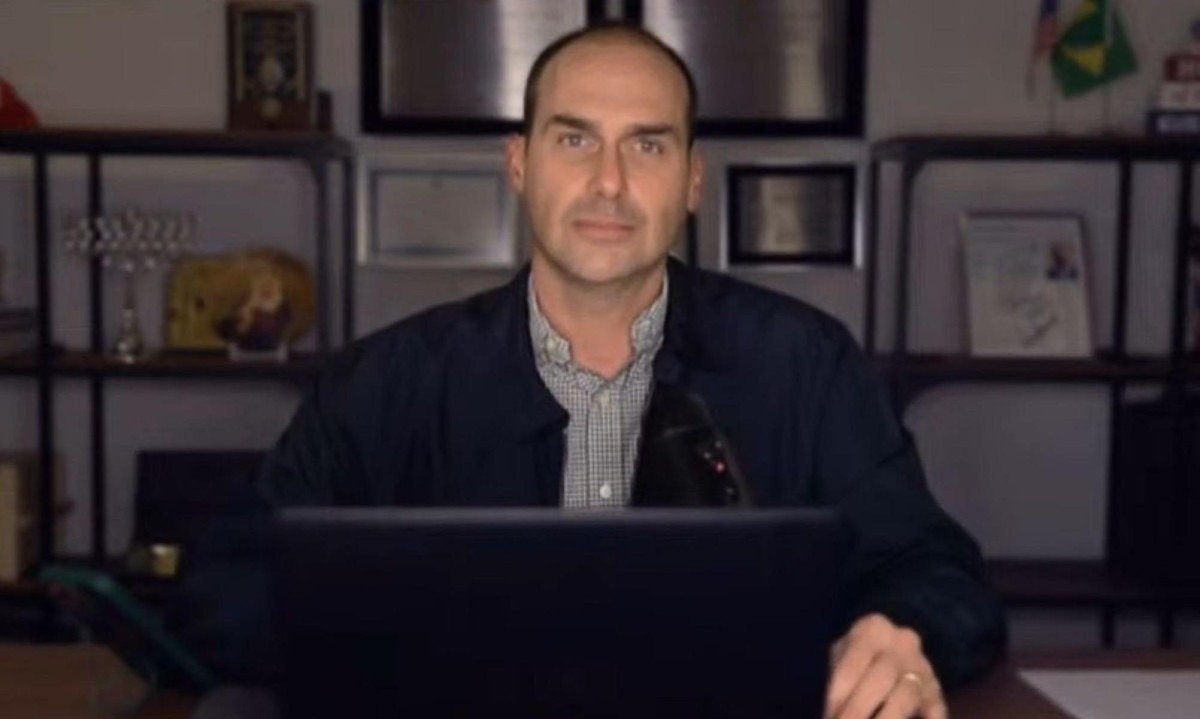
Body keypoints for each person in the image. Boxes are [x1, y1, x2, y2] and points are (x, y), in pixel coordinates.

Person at [253, 22, 1004, 719]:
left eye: (647, 146)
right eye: (575, 139)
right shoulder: (382, 383)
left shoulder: (808, 364)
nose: (609, 181)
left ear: (692, 181)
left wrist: (900, 634)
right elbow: (235, 584)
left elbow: (939, 575)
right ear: (519, 165)